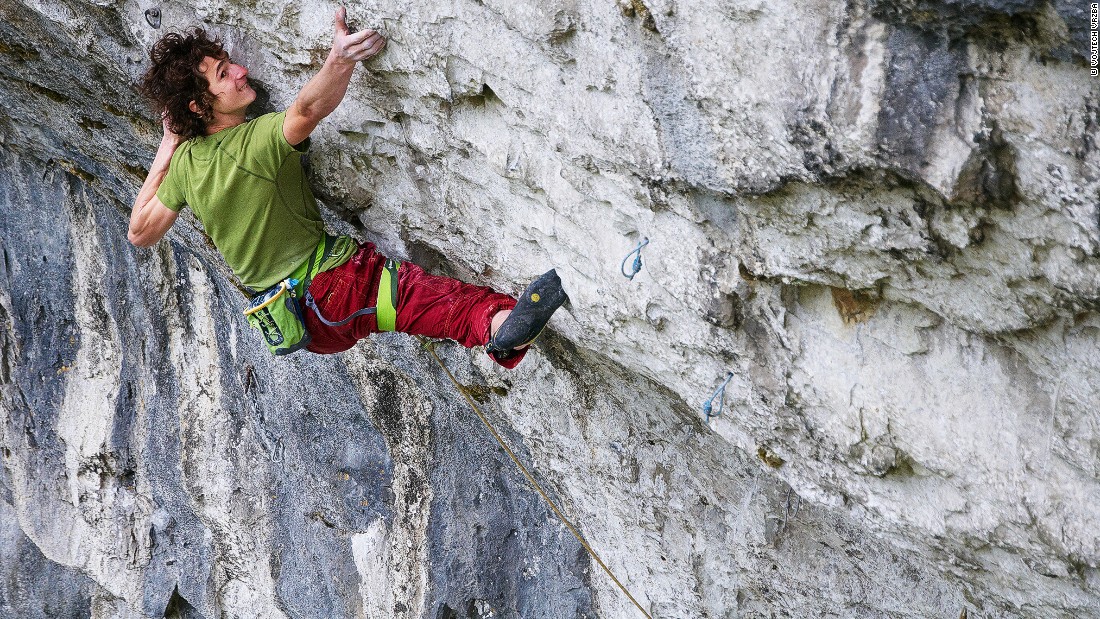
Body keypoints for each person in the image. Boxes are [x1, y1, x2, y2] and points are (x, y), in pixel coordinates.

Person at [128, 7, 566, 367]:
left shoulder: (184, 165)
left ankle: (503, 327)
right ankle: (501, 327)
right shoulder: (252, 142)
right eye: (224, 74)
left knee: (421, 301)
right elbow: (307, 109)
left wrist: (167, 145)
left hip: (305, 324)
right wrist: (340, 58)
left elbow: (140, 233)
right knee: (428, 301)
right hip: (335, 287)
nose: (241, 71)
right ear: (200, 105)